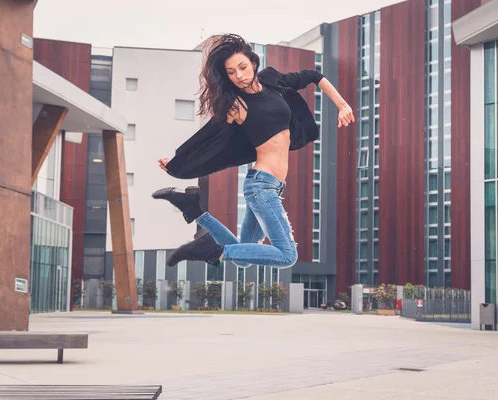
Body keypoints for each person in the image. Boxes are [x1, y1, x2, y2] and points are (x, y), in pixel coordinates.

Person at [152, 34, 354, 268]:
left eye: (242, 67)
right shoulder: (236, 105)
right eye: (231, 72)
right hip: (261, 185)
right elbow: (208, 137)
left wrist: (343, 105)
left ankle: (194, 210)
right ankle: (209, 249)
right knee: (287, 256)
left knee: (242, 258)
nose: (238, 75)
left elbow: (313, 76)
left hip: (272, 186)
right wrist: (176, 162)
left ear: (253, 63)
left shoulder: (272, 80)